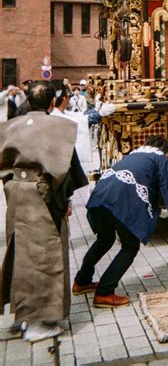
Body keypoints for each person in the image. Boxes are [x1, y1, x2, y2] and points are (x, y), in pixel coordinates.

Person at [73, 135, 168, 308]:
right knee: (130, 247)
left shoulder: (132, 156)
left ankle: (81, 281)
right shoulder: (159, 158)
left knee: (104, 239)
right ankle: (104, 292)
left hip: (99, 196)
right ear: (164, 150)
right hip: (120, 200)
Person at [0, 80, 88, 342]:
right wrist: (64, 200)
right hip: (43, 194)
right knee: (43, 258)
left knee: (20, 254)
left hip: (16, 194)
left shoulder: (10, 126)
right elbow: (68, 173)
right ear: (53, 102)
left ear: (28, 99)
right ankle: (37, 323)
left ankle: (23, 316)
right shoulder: (60, 127)